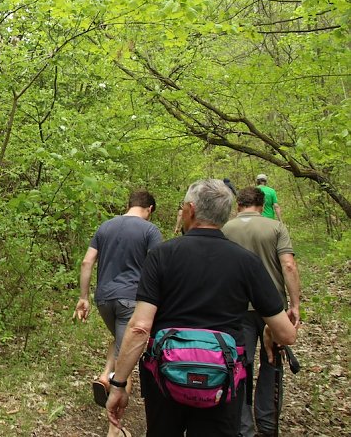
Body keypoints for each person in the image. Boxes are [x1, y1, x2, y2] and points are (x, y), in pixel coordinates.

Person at [106, 179, 297, 437]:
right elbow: (286, 334)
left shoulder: (162, 255)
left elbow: (140, 327)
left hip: (164, 378)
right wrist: (270, 331)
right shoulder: (246, 262)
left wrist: (118, 384)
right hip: (222, 379)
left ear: (191, 210)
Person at [74, 189, 163, 437]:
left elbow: (86, 262)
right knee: (127, 360)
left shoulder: (105, 227)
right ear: (150, 210)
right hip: (133, 300)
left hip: (104, 299)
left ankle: (104, 376)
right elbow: (159, 267)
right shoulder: (150, 231)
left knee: (120, 341)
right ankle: (115, 429)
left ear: (129, 204)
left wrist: (83, 297)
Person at [222, 187, 301, 437]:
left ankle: (243, 427)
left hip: (236, 307)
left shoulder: (225, 229)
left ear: (238, 205)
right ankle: (267, 425)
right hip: (272, 308)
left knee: (239, 366)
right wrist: (294, 304)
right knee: (271, 362)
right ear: (262, 204)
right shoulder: (275, 227)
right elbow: (288, 265)